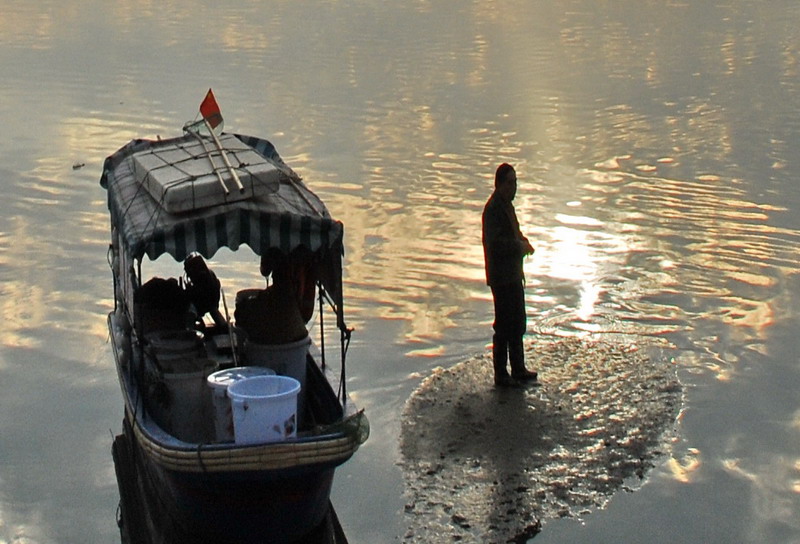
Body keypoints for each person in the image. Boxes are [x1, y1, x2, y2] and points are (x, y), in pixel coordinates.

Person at [482, 163, 538, 387]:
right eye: (511, 182)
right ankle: (501, 374)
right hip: (501, 277)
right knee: (504, 325)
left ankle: (518, 368)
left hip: (513, 274)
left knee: (517, 322)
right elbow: (496, 245)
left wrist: (524, 242)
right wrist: (519, 247)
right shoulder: (494, 209)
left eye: (516, 182)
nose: (514, 187)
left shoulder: (506, 206)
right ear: (500, 184)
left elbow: (513, 234)